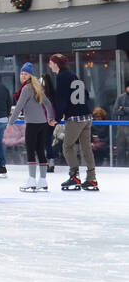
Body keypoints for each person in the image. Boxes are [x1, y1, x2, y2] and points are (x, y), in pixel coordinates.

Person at [49, 54, 98, 191]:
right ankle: (91, 178)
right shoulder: (73, 75)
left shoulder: (62, 76)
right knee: (86, 147)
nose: (49, 65)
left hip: (75, 118)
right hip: (86, 116)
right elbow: (86, 94)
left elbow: (61, 99)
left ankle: (74, 175)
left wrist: (57, 119)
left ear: (56, 64)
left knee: (67, 146)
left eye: (51, 62)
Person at [9, 64, 56, 192]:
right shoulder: (37, 88)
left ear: (30, 75)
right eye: (21, 73)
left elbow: (18, 107)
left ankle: (31, 179)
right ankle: (43, 180)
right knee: (40, 151)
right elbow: (48, 103)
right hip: (42, 123)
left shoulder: (26, 89)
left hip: (33, 124)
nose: (23, 76)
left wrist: (10, 123)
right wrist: (50, 118)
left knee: (31, 151)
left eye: (25, 74)